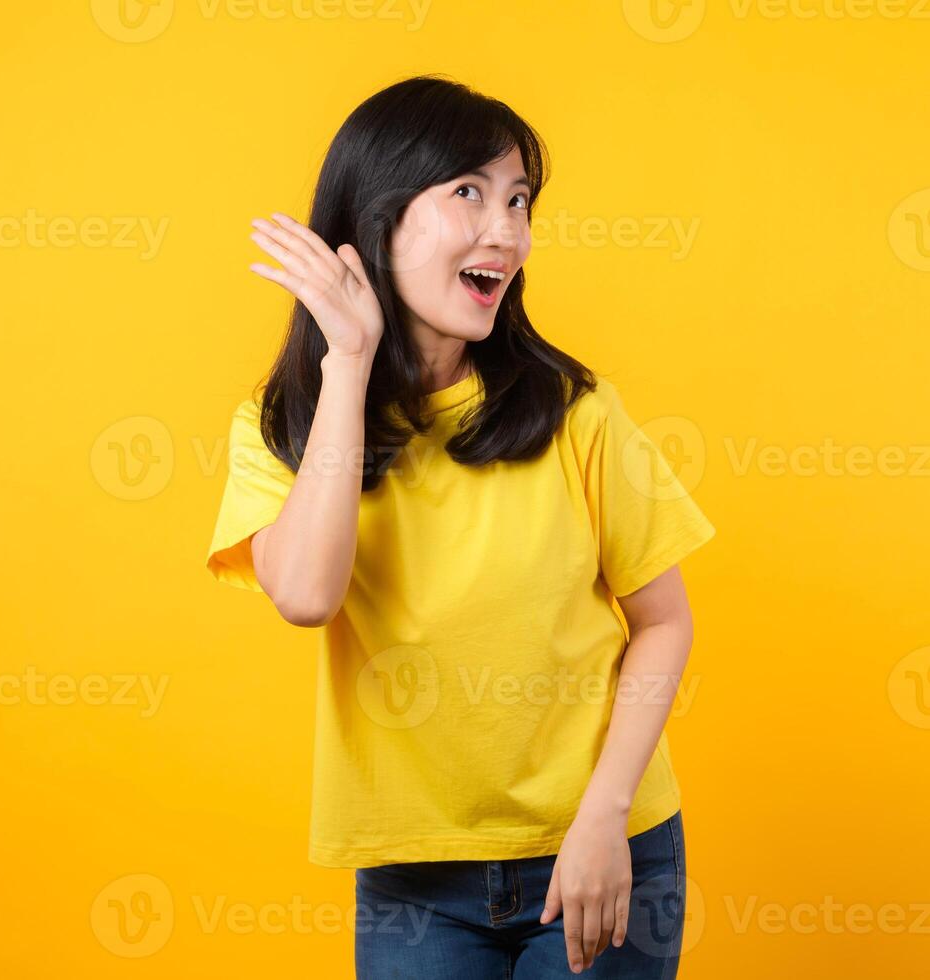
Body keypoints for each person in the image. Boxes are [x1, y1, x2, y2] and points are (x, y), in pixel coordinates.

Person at [206, 74, 715, 978]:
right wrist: (350, 365)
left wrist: (604, 816)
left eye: (518, 200)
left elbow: (663, 621)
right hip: (416, 881)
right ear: (377, 217)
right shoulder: (282, 426)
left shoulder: (575, 412)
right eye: (469, 193)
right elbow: (307, 597)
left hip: (596, 846)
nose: (506, 231)